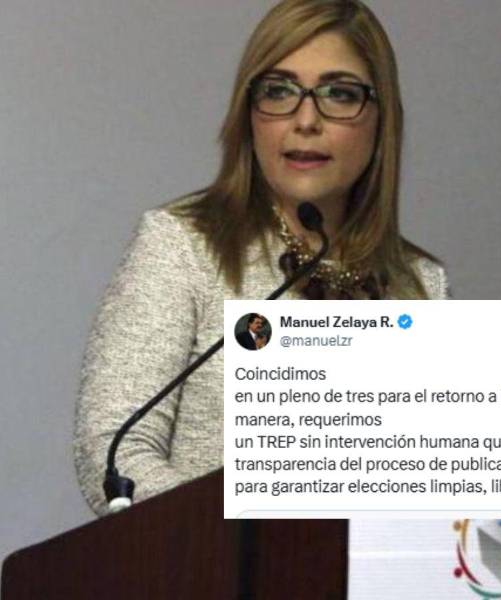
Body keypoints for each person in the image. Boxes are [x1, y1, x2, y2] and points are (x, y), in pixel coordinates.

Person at [73, 0, 448, 517]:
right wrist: (242, 538)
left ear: (381, 119)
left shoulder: (422, 287)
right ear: (248, 114)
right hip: (211, 561)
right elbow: (115, 453)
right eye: (278, 91)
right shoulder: (182, 246)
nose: (306, 120)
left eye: (339, 94)